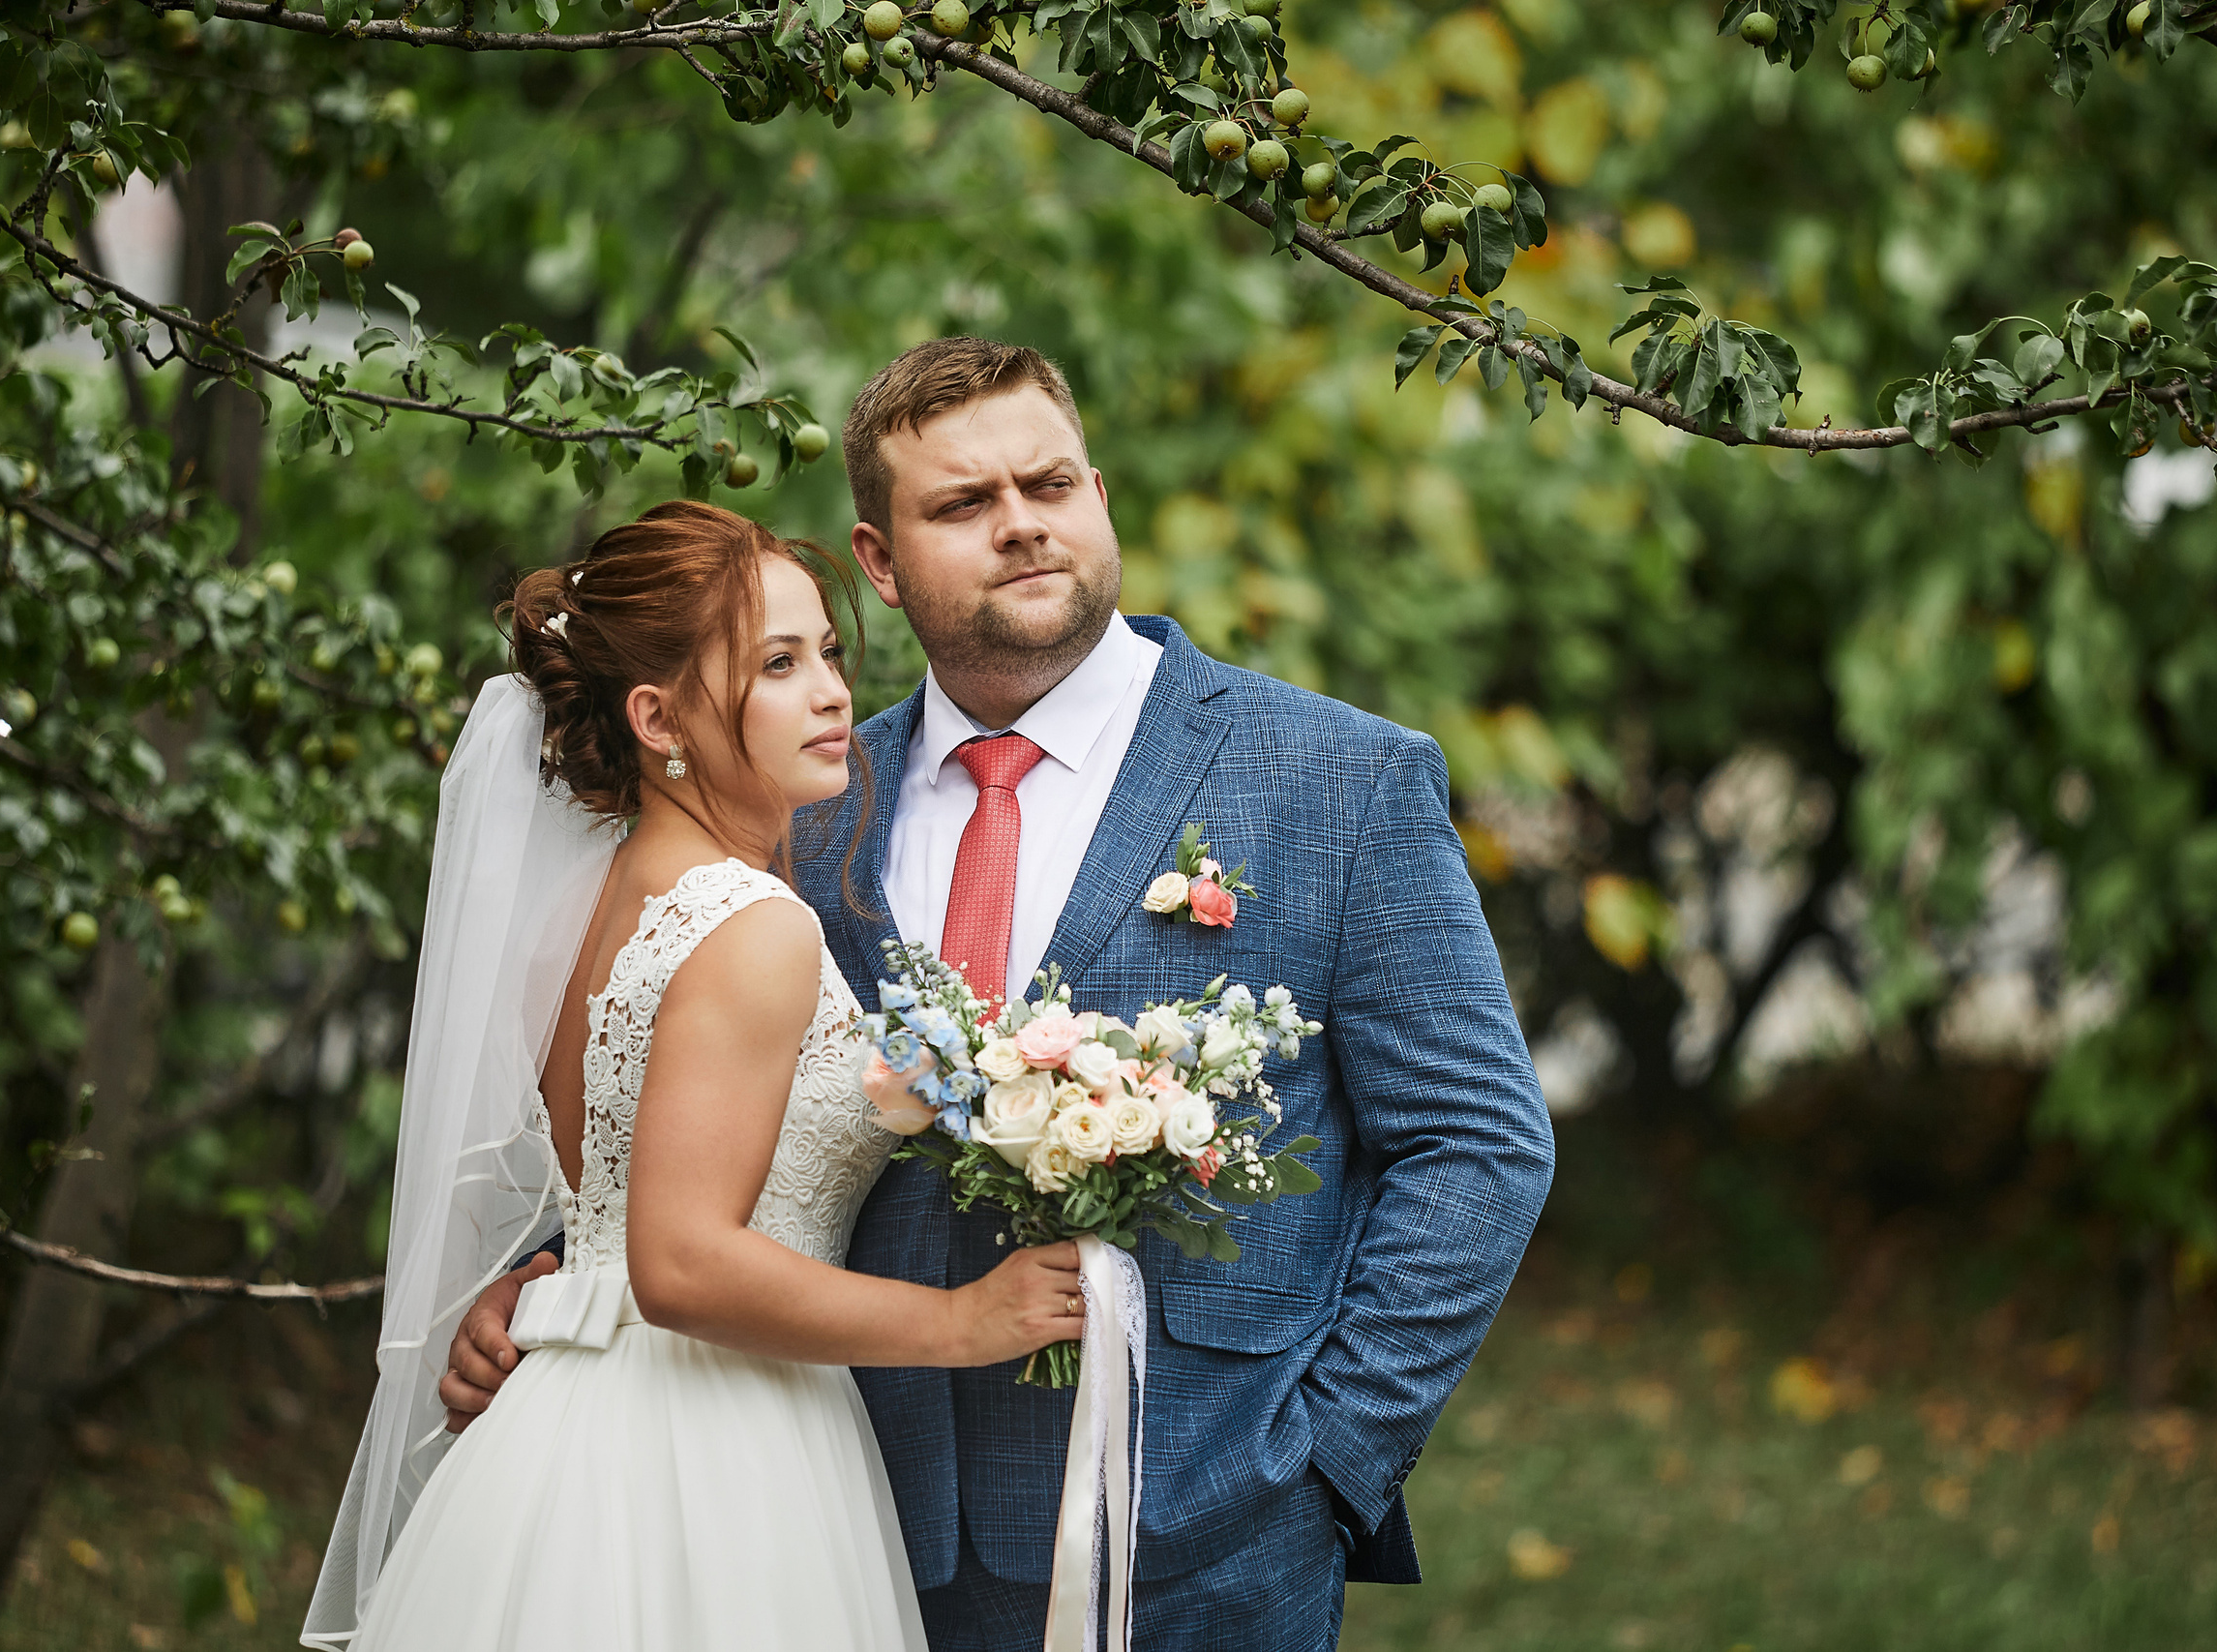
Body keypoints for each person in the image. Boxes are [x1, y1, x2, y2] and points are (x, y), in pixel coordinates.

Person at [442, 340, 1557, 1651]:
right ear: (879, 559)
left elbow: (1478, 1142)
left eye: (1051, 482)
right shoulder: (789, 802)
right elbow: (710, 1110)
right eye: (963, 504)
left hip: (1204, 1530)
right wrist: (566, 1275)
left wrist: (1321, 1460)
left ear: (1100, 491)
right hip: (841, 1519)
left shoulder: (1336, 778)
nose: (1022, 522)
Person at [301, 500, 1086, 1651]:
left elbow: (629, 1183)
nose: (829, 690)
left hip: (563, 1420)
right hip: (711, 1442)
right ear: (657, 717)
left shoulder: (582, 911)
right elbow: (675, 1261)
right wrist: (964, 1321)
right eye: (776, 664)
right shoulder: (750, 923)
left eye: (825, 650)